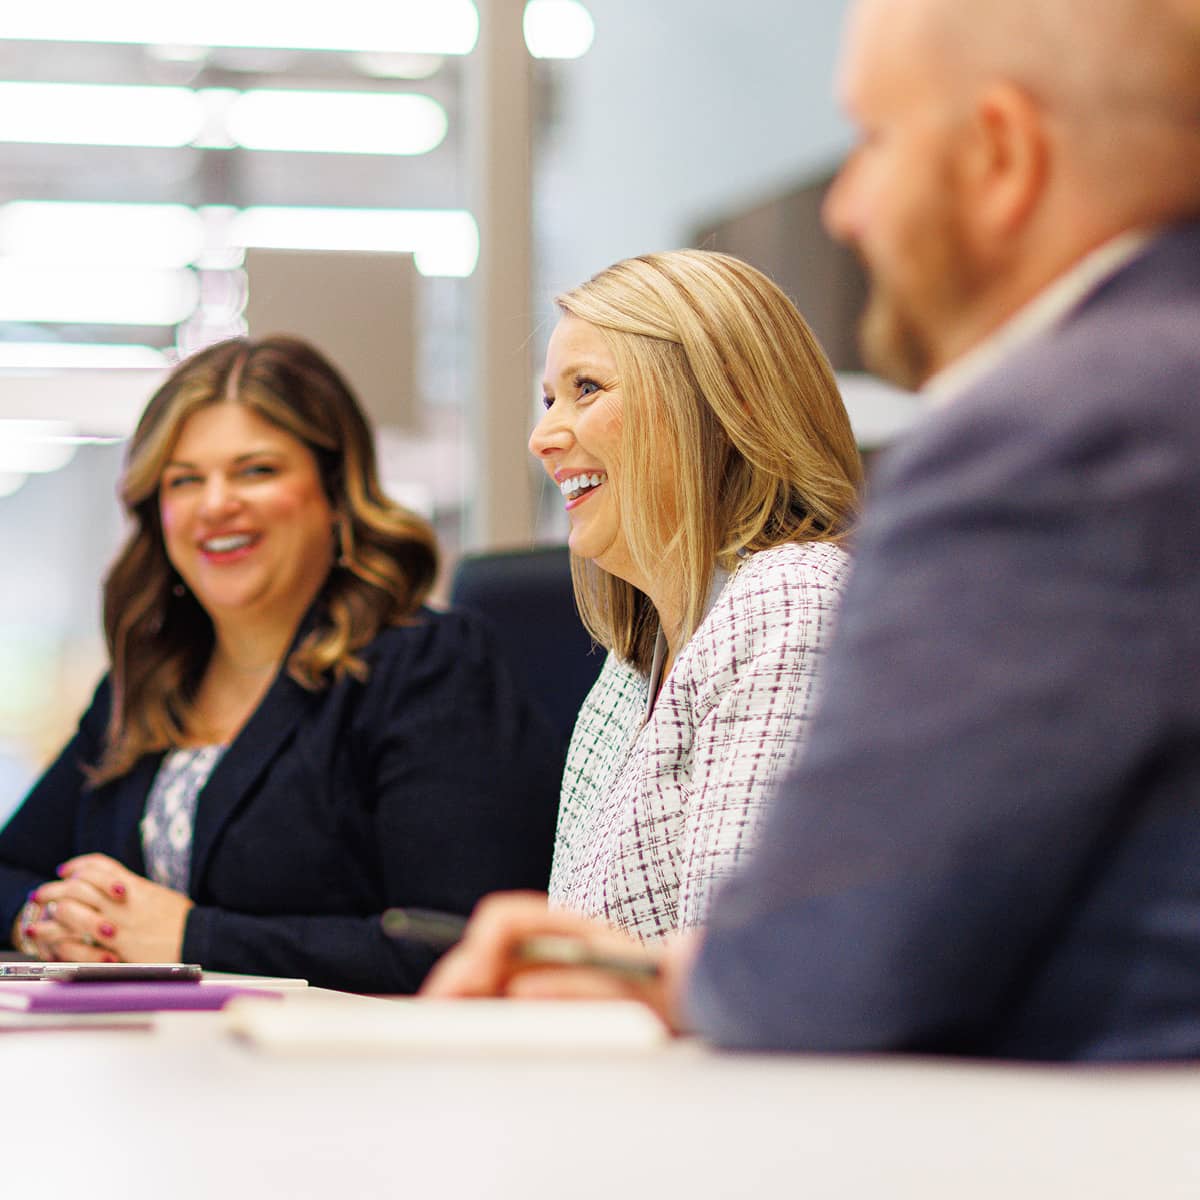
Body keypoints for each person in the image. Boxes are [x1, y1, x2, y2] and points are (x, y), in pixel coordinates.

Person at [425, 0, 1200, 1061]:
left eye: (875, 141)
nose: (843, 208)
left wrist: (638, 976)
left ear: (1003, 156)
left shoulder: (1059, 435)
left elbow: (836, 967)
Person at [0, 335, 563, 992]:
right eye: (185, 479)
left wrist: (191, 937)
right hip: (153, 1071)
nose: (215, 504)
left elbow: (457, 941)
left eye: (255, 470)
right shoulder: (153, 683)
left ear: (334, 492)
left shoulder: (426, 667)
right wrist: (48, 917)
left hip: (351, 1080)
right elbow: (11, 873)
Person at [530, 249, 861, 940]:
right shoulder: (635, 664)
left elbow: (743, 965)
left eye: (587, 388)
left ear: (725, 404)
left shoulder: (791, 601)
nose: (543, 437)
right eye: (549, 399)